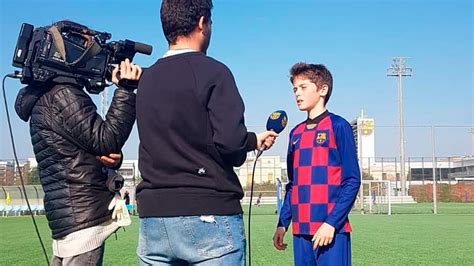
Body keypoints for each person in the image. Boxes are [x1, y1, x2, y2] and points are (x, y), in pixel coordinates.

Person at [135, 0, 277, 264]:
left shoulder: (146, 79)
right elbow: (231, 145)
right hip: (208, 212)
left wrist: (251, 140)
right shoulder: (215, 72)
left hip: (154, 217)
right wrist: (247, 142)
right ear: (202, 22)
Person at [14, 21, 142, 265]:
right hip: (81, 222)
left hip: (68, 219)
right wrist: (126, 89)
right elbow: (107, 139)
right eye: (84, 45)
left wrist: (111, 158)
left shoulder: (45, 97)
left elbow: (77, 150)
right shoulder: (63, 95)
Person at [272, 63, 361, 265]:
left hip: (331, 230)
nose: (297, 93)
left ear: (323, 90)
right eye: (295, 89)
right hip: (301, 230)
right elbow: (293, 185)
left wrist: (331, 223)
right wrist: (282, 223)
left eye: (303, 87)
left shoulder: (338, 126)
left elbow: (352, 180)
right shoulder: (295, 133)